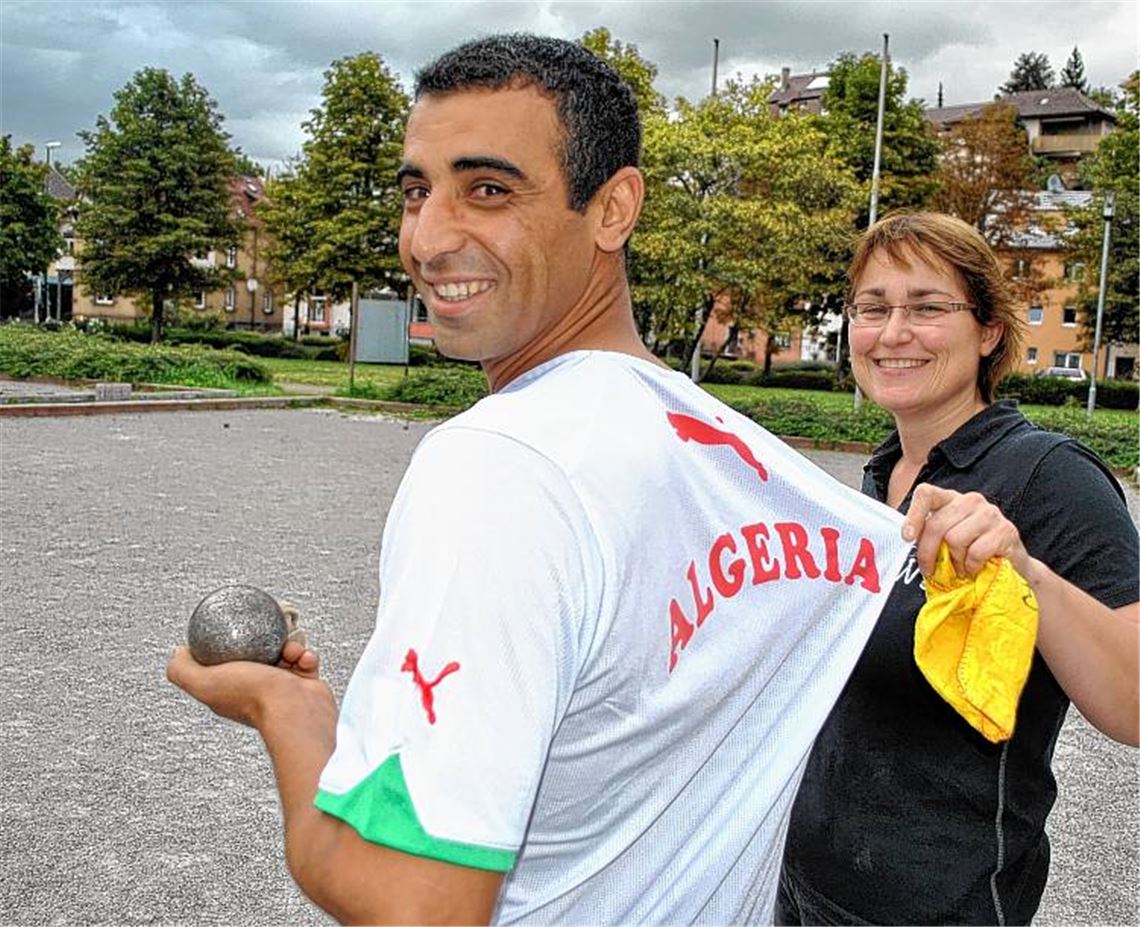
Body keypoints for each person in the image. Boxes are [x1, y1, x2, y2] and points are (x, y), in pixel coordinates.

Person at [167, 35, 912, 924]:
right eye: (416, 191)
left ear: (613, 208)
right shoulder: (730, 453)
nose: (429, 237)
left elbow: (417, 905)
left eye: (488, 189)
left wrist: (284, 710)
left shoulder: (502, 464)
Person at [778, 211, 1139, 926]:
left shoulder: (1047, 476)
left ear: (989, 331)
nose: (893, 331)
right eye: (872, 308)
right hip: (802, 890)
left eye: (928, 307)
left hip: (940, 907)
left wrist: (1023, 570)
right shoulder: (877, 480)